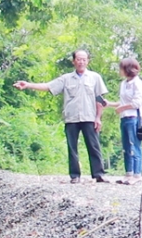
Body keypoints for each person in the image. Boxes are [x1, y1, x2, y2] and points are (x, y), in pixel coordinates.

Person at [13, 50, 109, 184]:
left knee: (94, 146)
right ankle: (75, 175)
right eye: (78, 59)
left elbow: (100, 99)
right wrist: (28, 85)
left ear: (88, 61)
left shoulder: (95, 77)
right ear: (73, 61)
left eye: (84, 59)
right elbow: (48, 86)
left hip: (89, 117)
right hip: (71, 118)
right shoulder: (66, 78)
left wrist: (98, 118)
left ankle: (99, 174)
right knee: (72, 147)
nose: (81, 62)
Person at [106, 58, 142, 185]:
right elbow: (123, 102)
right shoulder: (124, 84)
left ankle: (137, 173)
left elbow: (137, 102)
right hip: (124, 117)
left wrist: (122, 108)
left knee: (134, 144)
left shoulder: (137, 83)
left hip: (134, 117)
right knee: (126, 146)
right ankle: (128, 172)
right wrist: (110, 104)